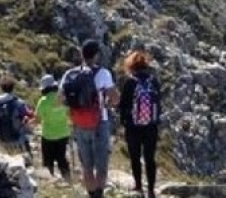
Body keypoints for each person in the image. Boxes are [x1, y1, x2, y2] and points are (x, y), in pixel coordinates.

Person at [60, 39, 116, 198]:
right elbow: (115, 98)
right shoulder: (103, 73)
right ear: (97, 55)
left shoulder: (69, 74)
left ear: (82, 54)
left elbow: (60, 100)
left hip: (79, 124)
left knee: (87, 165)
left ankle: (91, 195)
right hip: (99, 123)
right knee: (101, 166)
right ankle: (99, 194)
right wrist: (108, 102)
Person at [119, 50, 162, 198]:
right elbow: (159, 102)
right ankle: (151, 190)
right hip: (151, 126)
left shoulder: (130, 81)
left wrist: (123, 121)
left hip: (133, 127)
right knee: (150, 158)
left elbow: (123, 105)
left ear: (131, 65)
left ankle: (138, 186)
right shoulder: (153, 80)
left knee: (135, 157)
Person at [0, 76, 34, 160]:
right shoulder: (18, 102)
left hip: (2, 140)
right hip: (17, 139)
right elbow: (29, 115)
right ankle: (30, 159)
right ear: (13, 87)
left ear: (1, 88)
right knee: (25, 133)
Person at [34, 74, 72, 180]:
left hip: (48, 135)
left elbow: (37, 119)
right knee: (62, 158)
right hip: (63, 134)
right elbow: (70, 114)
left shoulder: (43, 101)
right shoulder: (63, 98)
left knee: (48, 160)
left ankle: (49, 180)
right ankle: (68, 179)